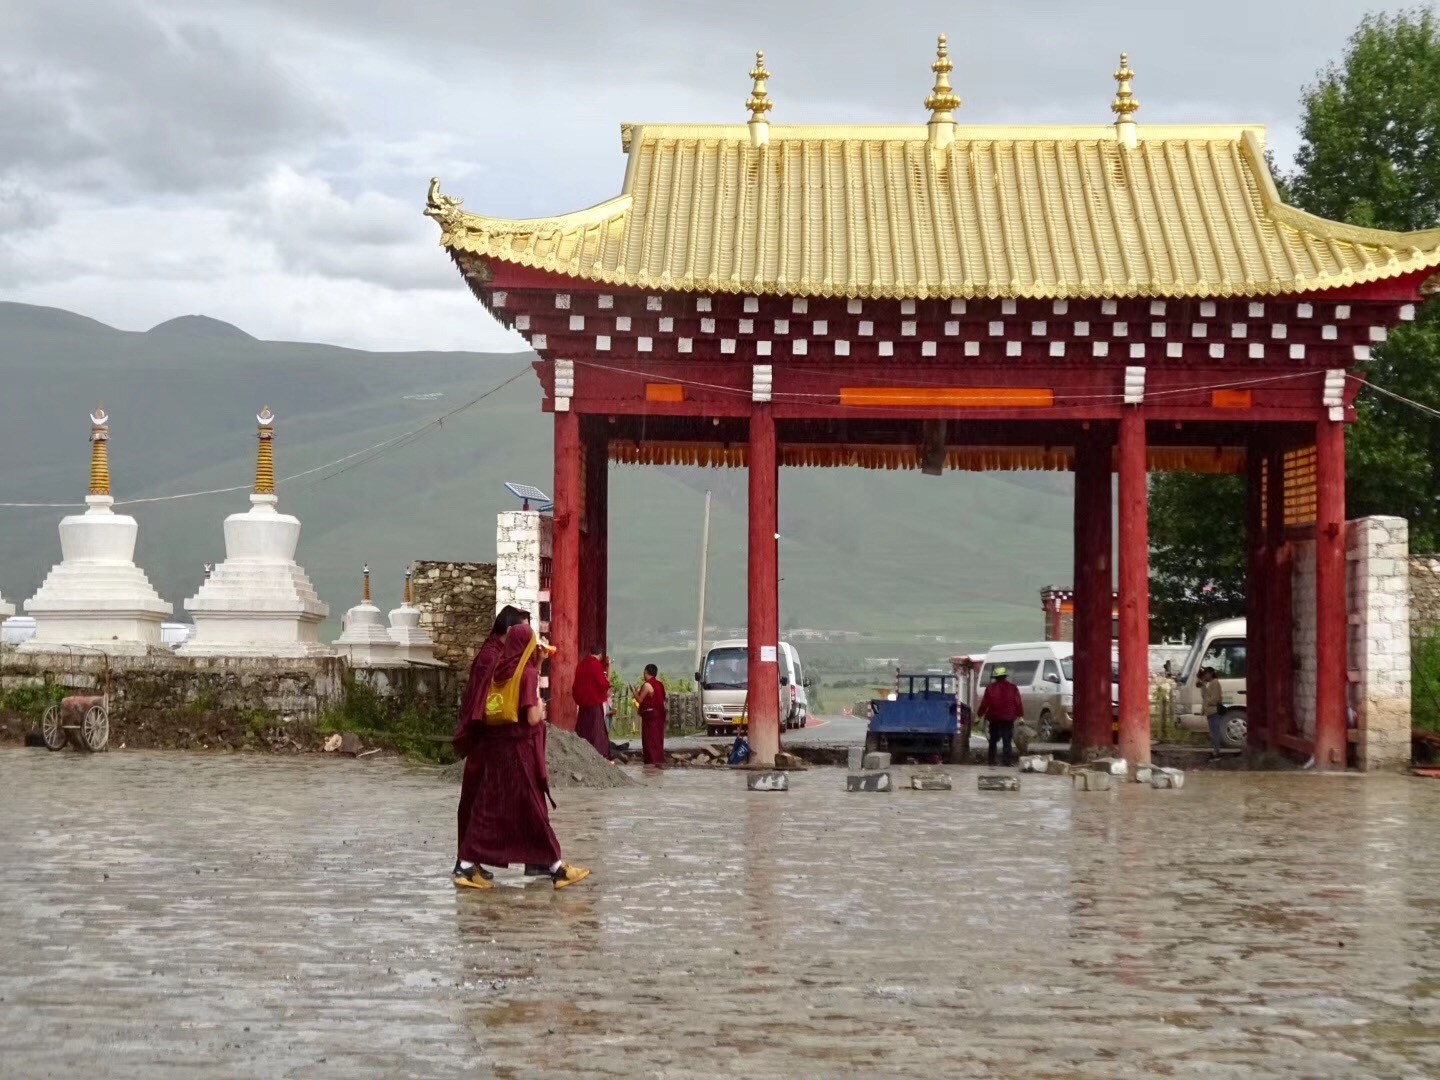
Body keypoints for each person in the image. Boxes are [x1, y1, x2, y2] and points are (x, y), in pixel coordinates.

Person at [455, 622, 590, 890]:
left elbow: (514, 691)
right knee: (534, 810)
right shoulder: (526, 673)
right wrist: (540, 710)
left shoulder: (501, 668)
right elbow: (529, 715)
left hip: (498, 752)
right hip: (520, 754)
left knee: (488, 809)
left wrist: (536, 664)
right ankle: (557, 869)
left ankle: (467, 866)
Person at [452, 605, 528, 881]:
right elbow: (486, 701)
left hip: (492, 740)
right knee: (476, 801)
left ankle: (474, 858)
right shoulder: (490, 657)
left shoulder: (498, 653)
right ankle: (464, 860)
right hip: (484, 739)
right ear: (509, 631)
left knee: (485, 801)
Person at [977, 664, 1024, 767]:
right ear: (1005, 676)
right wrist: (1020, 716)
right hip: (1008, 719)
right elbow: (1018, 702)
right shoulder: (1012, 688)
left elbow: (985, 703)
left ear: (996, 677)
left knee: (993, 740)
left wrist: (979, 715)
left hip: (994, 718)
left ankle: (991, 761)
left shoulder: (990, 688)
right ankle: (1007, 762)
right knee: (1007, 740)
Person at [573, 643, 611, 759]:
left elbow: (576, 686)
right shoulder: (596, 665)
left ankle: (581, 753)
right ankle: (598, 756)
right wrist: (609, 668)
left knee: (583, 731)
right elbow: (603, 684)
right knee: (596, 734)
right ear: (600, 655)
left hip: (583, 706)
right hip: (594, 705)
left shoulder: (581, 665)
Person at [635, 663, 667, 766]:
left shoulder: (647, 685)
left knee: (649, 740)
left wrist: (634, 692)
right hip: (659, 715)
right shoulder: (660, 684)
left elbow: (640, 699)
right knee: (657, 739)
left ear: (645, 672)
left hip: (650, 716)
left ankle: (651, 762)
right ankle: (658, 760)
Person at [1202, 666, 1226, 759]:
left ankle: (1217, 753)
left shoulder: (1215, 683)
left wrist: (1207, 701)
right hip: (1210, 711)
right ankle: (1215, 751)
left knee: (1215, 733)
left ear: (1211, 673)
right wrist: (1203, 685)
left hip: (1214, 710)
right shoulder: (1210, 683)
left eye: (1206, 674)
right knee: (1213, 733)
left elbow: (1214, 700)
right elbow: (1204, 695)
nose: (1205, 676)